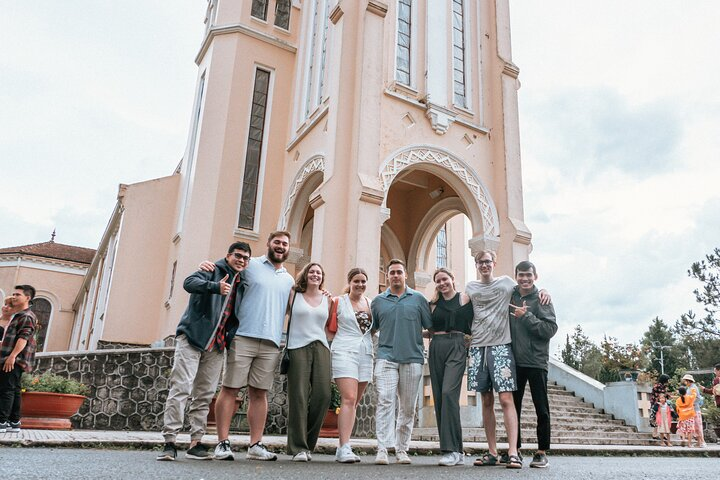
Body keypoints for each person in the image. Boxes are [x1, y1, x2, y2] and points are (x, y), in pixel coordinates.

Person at [202, 231, 294, 461]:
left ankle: (256, 445)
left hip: (272, 341)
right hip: (243, 336)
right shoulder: (251, 264)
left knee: (259, 393)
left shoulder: (289, 279)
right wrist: (207, 266)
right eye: (277, 242)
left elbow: (297, 305)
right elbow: (226, 266)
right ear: (269, 244)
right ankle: (222, 442)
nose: (281, 247)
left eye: (285, 244)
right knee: (230, 388)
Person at [156, 242, 251, 461]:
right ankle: (169, 442)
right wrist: (215, 287)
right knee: (181, 388)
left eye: (246, 258)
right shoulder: (212, 270)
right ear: (228, 256)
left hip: (217, 345)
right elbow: (189, 283)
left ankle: (195, 443)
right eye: (238, 256)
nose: (242, 260)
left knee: (204, 395)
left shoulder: (242, 281)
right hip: (192, 338)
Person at [465, 250, 549, 469]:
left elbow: (527, 287)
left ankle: (513, 452)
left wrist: (544, 292)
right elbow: (456, 305)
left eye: (488, 262)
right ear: (476, 264)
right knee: (486, 400)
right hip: (478, 348)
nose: (484, 265)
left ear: (494, 263)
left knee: (506, 399)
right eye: (480, 262)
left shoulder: (506, 283)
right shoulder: (470, 287)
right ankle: (492, 451)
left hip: (501, 346)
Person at [371, 259, 432, 465]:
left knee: (407, 407)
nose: (395, 275)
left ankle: (402, 449)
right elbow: (373, 328)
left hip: (412, 358)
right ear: (387, 276)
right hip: (386, 357)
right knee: (385, 401)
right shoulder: (378, 301)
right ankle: (383, 448)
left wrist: (412, 334)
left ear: (405, 275)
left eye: (399, 272)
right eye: (392, 273)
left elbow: (429, 328)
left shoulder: (419, 299)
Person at [509, 260, 557, 469]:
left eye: (529, 275)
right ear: (516, 276)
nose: (525, 279)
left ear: (535, 277)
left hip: (537, 361)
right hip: (515, 361)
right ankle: (514, 450)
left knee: (541, 408)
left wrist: (526, 315)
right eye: (521, 275)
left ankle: (541, 452)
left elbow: (549, 329)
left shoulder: (542, 299)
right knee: (514, 407)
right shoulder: (511, 295)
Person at [285, 262, 333, 462]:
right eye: (312, 271)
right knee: (299, 397)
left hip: (321, 346)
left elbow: (329, 327)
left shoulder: (328, 299)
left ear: (322, 277)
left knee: (323, 395)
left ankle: (308, 443)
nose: (315, 275)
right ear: (305, 275)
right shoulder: (293, 295)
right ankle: (298, 448)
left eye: (319, 273)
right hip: (297, 347)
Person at [427, 268, 473, 467]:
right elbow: (428, 330)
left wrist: (471, 340)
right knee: (439, 398)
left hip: (457, 346)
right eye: (438, 281)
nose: (442, 283)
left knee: (448, 394)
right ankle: (457, 450)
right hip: (436, 346)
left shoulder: (465, 299)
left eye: (445, 279)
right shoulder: (432, 305)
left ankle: (450, 450)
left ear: (453, 279)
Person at [329, 267, 373, 463]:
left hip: (365, 353)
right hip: (344, 351)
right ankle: (345, 446)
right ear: (350, 282)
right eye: (356, 281)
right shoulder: (338, 301)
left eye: (363, 281)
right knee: (348, 397)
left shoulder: (370, 303)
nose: (360, 285)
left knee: (354, 403)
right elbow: (328, 328)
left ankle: (343, 446)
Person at [0, 285, 37, 434]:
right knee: (14, 389)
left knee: (6, 390)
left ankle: (2, 421)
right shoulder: (20, 315)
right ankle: (14, 421)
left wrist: (12, 356)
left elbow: (23, 338)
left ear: (27, 298)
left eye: (18, 294)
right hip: (12, 357)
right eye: (13, 294)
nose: (14, 297)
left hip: (14, 358)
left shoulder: (26, 316)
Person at [681, 374, 706, 447]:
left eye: (685, 381)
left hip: (695, 409)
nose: (684, 382)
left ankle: (702, 441)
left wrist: (691, 403)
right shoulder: (689, 388)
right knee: (694, 426)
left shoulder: (693, 388)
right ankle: (699, 442)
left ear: (688, 381)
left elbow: (697, 398)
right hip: (691, 410)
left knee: (698, 425)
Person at [649, 374, 670, 440]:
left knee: (660, 419)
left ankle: (660, 434)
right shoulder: (659, 386)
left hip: (658, 404)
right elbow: (661, 395)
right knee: (657, 419)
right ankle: (655, 434)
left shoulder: (659, 386)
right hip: (657, 404)